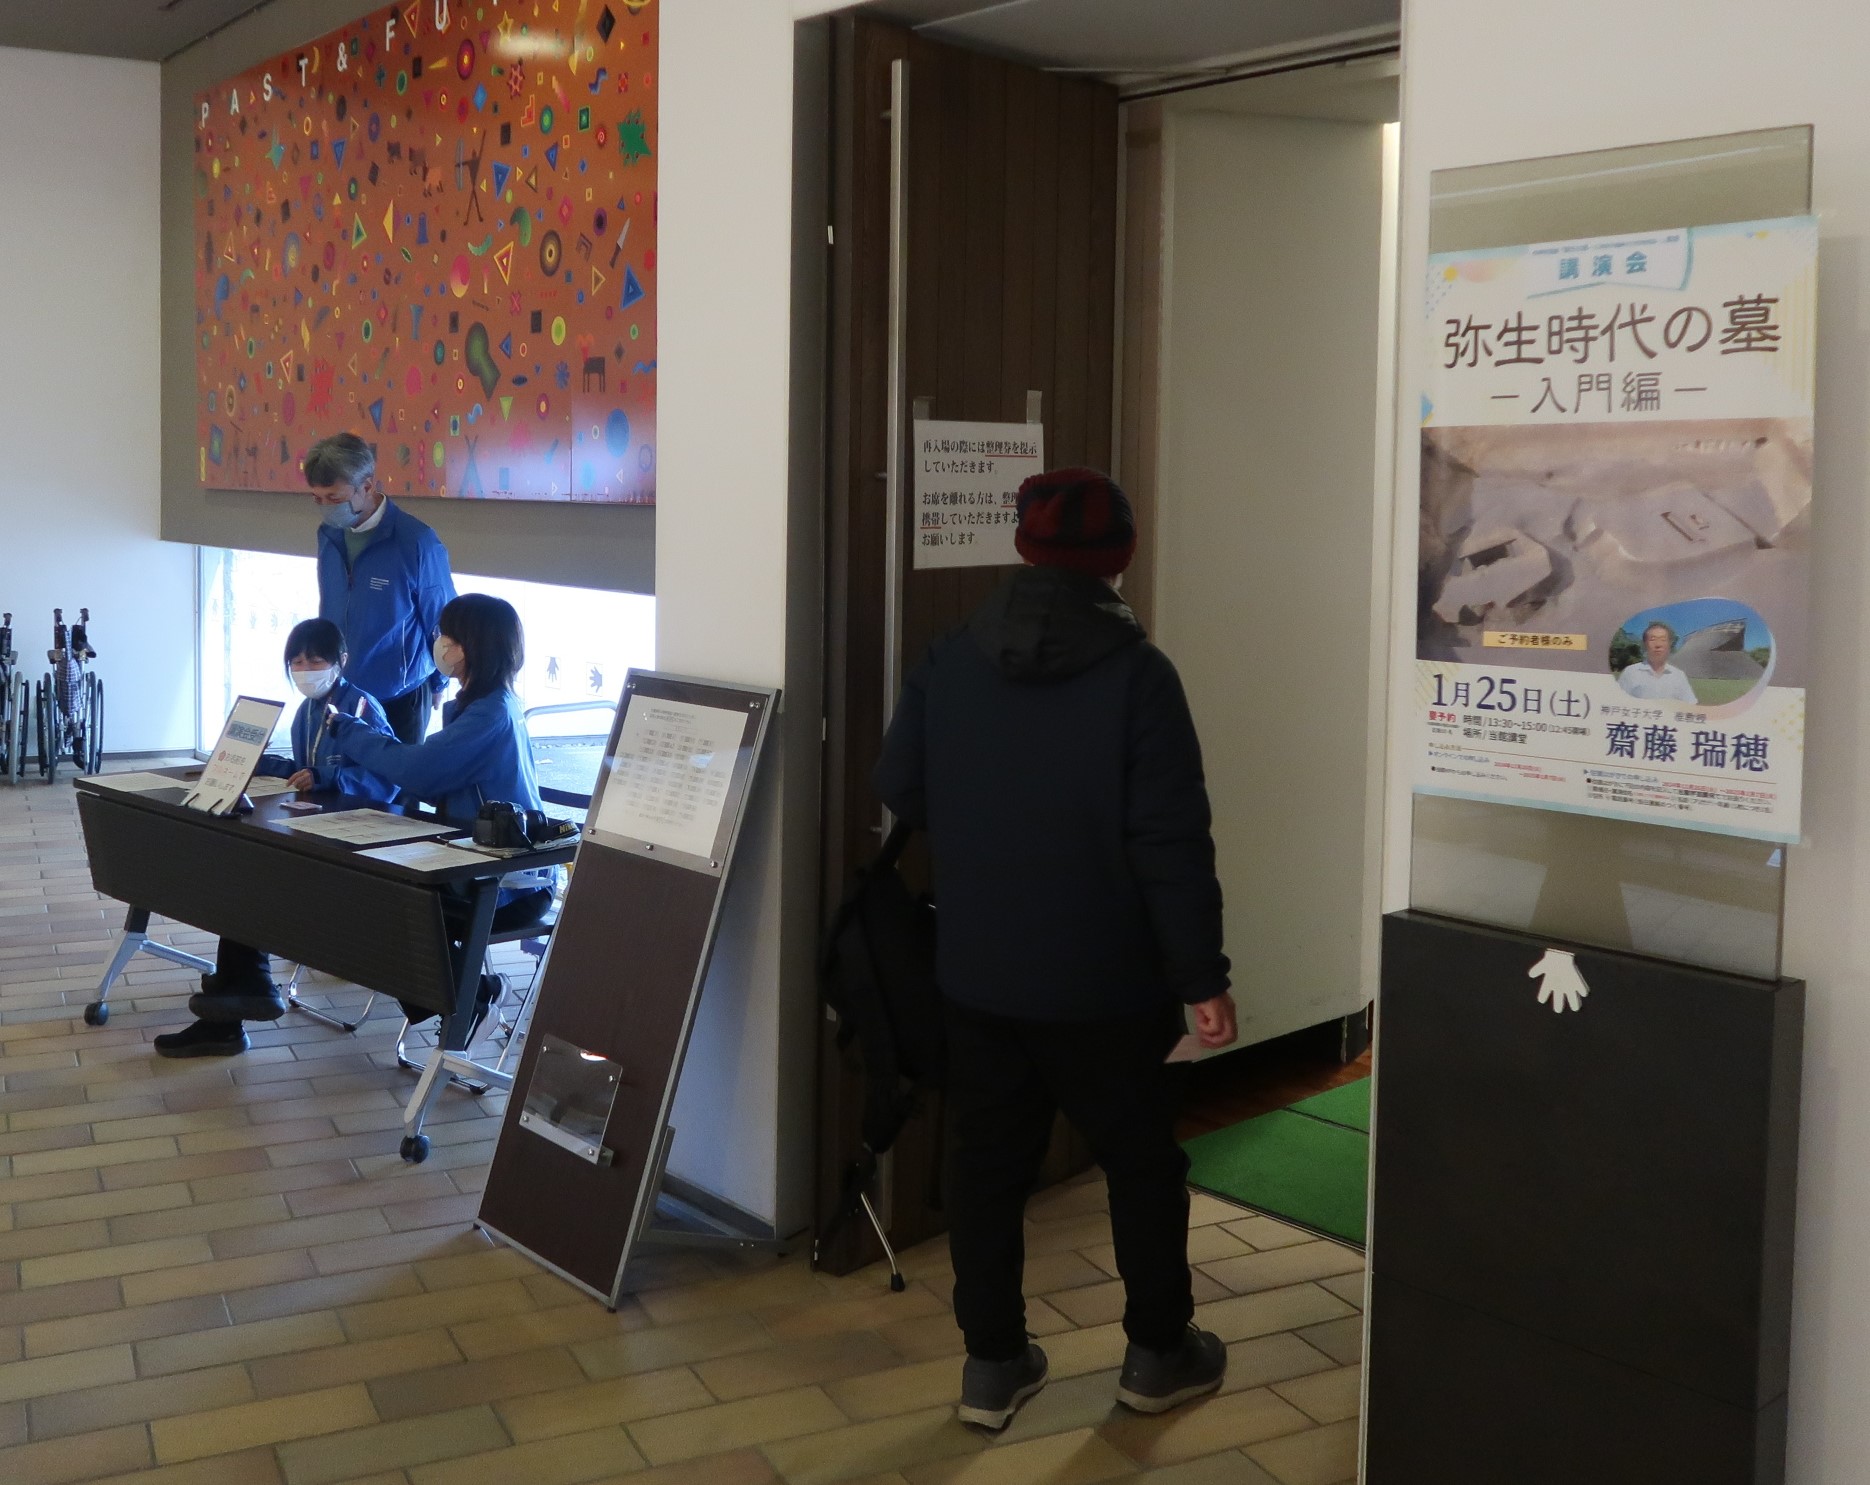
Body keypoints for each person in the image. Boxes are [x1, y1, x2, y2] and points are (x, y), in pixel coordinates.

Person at [874, 467, 1238, 1432]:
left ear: (1024, 548)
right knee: (1141, 1165)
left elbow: (900, 786)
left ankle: (993, 1365)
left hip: (979, 969)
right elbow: (1170, 841)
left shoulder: (952, 656)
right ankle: (1157, 1353)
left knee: (986, 1168)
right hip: (1110, 983)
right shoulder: (1140, 677)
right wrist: (1202, 977)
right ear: (1122, 556)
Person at [154, 620, 397, 1058]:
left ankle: (241, 996)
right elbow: (306, 771)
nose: (304, 669)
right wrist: (259, 762)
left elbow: (386, 779)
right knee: (245, 868)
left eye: (315, 660)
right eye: (296, 661)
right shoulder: (306, 711)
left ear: (341, 661)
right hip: (315, 829)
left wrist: (328, 778)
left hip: (352, 844)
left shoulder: (360, 708)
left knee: (253, 880)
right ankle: (237, 996)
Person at [324, 593, 555, 1028]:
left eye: (447, 635)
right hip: (478, 868)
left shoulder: (488, 716)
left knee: (387, 908)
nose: (439, 643)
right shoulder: (487, 706)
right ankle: (469, 997)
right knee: (376, 898)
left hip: (507, 884)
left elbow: (418, 772)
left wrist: (352, 732)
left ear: (472, 646)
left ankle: (471, 1003)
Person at [307, 432, 457, 746]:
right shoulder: (329, 535)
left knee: (396, 778)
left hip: (400, 694)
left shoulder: (417, 542)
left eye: (334, 498)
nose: (325, 508)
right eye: (317, 499)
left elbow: (443, 618)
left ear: (367, 486)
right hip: (342, 690)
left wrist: (441, 682)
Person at [1618, 621, 1699, 702]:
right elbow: (1618, 702)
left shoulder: (1679, 676)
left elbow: (1690, 704)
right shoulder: (1630, 672)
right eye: (1653, 639)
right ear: (1645, 644)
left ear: (1669, 645)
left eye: (1663, 640)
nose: (1658, 645)